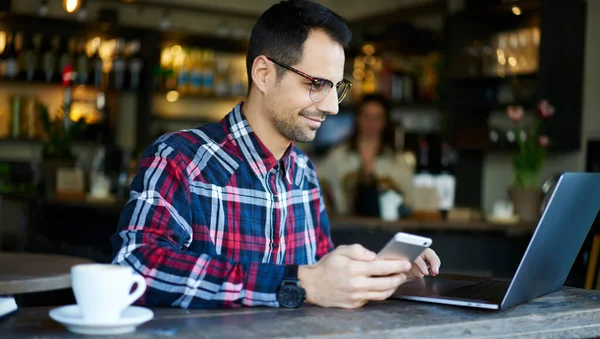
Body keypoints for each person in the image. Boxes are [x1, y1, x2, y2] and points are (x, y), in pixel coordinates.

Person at [111, 0, 440, 310]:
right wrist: (293, 283)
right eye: (316, 84)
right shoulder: (180, 158)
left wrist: (377, 274)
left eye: (336, 88)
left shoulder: (304, 172)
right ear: (264, 74)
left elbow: (319, 276)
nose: (331, 106)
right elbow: (134, 264)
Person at [318, 93, 416, 217]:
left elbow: (411, 200)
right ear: (358, 118)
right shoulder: (338, 156)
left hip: (389, 229)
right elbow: (315, 181)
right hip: (345, 228)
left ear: (385, 122)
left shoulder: (397, 160)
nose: (371, 123)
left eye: (377, 117)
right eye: (366, 116)